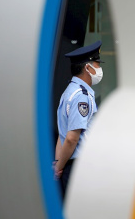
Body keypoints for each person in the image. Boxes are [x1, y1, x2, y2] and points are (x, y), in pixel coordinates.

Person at [53, 40, 104, 198]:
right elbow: (71, 139)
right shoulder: (81, 96)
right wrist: (60, 166)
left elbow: (63, 135)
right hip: (77, 168)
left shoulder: (69, 91)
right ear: (87, 68)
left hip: (68, 166)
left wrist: (57, 164)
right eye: (97, 64)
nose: (99, 68)